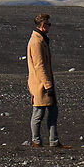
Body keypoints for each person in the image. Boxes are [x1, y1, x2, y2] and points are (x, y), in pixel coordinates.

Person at [27, 12, 61, 148]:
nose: (49, 27)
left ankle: (53, 141)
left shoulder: (40, 40)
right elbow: (39, 66)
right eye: (48, 24)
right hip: (40, 85)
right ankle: (36, 141)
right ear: (42, 25)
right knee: (38, 113)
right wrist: (48, 86)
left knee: (52, 111)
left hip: (43, 83)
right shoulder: (36, 42)